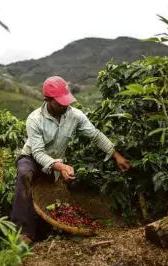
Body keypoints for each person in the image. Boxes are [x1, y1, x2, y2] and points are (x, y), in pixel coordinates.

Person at [11, 76, 131, 244]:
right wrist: (59, 166)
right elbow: (38, 153)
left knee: (47, 202)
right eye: (60, 102)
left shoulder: (74, 116)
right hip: (32, 158)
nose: (65, 105)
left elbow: (95, 135)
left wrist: (116, 155)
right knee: (24, 174)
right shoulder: (34, 119)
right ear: (47, 99)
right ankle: (22, 234)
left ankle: (40, 236)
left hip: (55, 162)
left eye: (66, 101)